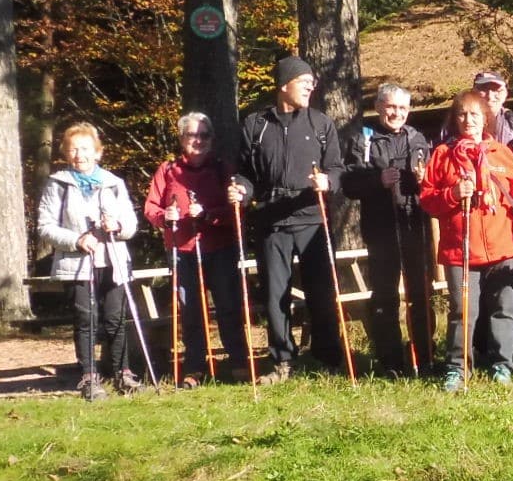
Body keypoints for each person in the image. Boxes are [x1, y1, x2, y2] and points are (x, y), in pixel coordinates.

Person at [230, 55, 344, 382]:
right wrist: (241, 189)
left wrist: (329, 182)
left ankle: (327, 358)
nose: (311, 86)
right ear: (284, 84)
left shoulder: (321, 124)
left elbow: (337, 168)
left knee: (321, 293)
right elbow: (245, 174)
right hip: (271, 221)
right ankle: (282, 362)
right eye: (304, 81)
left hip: (312, 219)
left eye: (312, 81)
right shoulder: (255, 124)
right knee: (274, 295)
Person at [420, 90, 513, 389]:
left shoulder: (503, 153)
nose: (468, 120)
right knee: (462, 311)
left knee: (503, 308)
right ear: (455, 118)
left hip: (502, 244)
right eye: (462, 114)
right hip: (461, 247)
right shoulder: (443, 155)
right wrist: (453, 194)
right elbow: (428, 200)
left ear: (485, 118)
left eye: (474, 114)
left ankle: (502, 365)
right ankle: (458, 367)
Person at [37, 121, 142, 400]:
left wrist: (117, 226)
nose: (79, 155)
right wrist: (76, 240)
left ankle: (123, 373)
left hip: (113, 260)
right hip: (78, 263)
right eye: (72, 149)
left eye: (85, 149)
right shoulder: (59, 184)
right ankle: (89, 376)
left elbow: (131, 224)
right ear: (65, 153)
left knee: (116, 318)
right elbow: (45, 226)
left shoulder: (113, 183)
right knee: (86, 319)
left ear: (98, 152)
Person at [144, 112, 247, 385]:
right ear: (182, 138)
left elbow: (236, 210)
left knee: (228, 306)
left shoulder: (222, 169)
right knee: (191, 311)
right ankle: (194, 367)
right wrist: (165, 216)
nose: (198, 140)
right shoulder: (167, 170)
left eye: (204, 135)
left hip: (219, 248)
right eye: (192, 135)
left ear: (212, 139)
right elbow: (151, 207)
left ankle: (238, 361)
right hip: (182, 251)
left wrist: (208, 215)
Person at [340, 84, 432, 376]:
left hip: (414, 224)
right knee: (385, 295)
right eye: (391, 107)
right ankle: (389, 359)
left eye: (403, 108)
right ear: (379, 107)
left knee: (420, 292)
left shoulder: (418, 139)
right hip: (380, 228)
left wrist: (423, 179)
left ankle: (424, 354)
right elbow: (348, 183)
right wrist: (377, 181)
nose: (397, 113)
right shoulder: (363, 139)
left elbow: (433, 180)